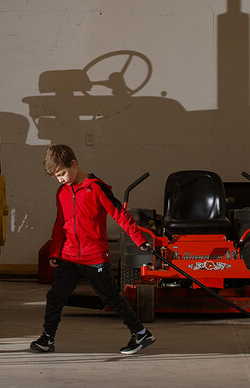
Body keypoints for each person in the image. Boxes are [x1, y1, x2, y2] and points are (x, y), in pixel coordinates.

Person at [31, 144, 156, 355]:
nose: (60, 179)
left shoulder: (96, 188)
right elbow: (60, 224)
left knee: (110, 297)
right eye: (56, 177)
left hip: (94, 256)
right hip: (69, 256)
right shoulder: (62, 192)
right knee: (55, 297)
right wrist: (55, 252)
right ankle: (47, 338)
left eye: (62, 173)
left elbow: (119, 214)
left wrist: (138, 239)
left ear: (74, 164)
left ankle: (141, 333)